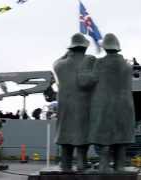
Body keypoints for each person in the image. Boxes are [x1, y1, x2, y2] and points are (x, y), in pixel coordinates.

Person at [88, 33, 135, 172]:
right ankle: (120, 165)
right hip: (125, 106)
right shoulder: (127, 65)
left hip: (105, 105)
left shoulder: (99, 63)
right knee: (121, 137)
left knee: (105, 138)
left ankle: (104, 165)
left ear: (105, 47)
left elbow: (90, 81)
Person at [53, 33, 95, 171]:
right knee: (82, 133)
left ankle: (66, 163)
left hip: (64, 105)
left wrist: (67, 53)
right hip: (84, 104)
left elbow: (55, 62)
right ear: (84, 48)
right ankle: (82, 162)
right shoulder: (90, 60)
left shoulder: (59, 65)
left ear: (71, 48)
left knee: (65, 133)